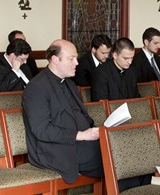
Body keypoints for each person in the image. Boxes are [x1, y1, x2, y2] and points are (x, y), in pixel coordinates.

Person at [22, 39, 103, 184]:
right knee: (117, 160)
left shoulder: (69, 83)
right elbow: (41, 129)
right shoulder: (36, 88)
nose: (77, 63)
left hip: (81, 143)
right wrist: (81, 135)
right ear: (55, 59)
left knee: (124, 156)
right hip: (55, 150)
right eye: (71, 58)